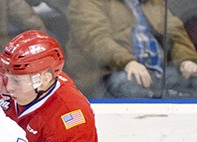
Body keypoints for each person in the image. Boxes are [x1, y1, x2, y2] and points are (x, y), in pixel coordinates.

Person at [65, 0, 197, 98]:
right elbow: (95, 39)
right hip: (108, 76)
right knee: (128, 84)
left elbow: (176, 33)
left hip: (157, 73)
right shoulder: (87, 2)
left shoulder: (153, 3)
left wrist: (186, 60)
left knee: (193, 79)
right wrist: (128, 62)